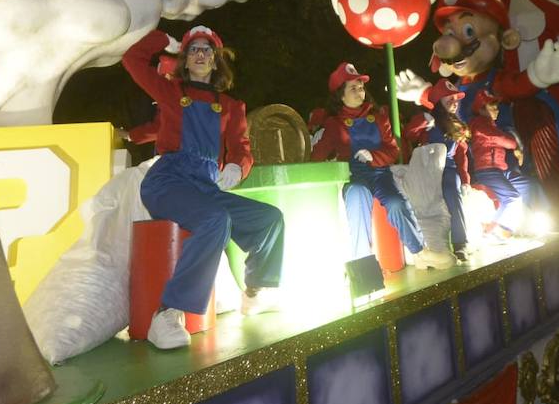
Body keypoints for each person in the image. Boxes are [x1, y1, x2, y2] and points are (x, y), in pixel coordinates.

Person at [121, 26, 285, 350]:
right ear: (184, 59)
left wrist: (237, 167)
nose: (199, 54)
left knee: (269, 219)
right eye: (193, 49)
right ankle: (167, 314)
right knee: (215, 220)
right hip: (169, 180)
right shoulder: (169, 91)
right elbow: (132, 59)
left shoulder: (232, 106)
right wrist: (164, 41)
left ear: (215, 60)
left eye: (206, 50)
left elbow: (241, 148)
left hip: (207, 185)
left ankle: (255, 292)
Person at [310, 63, 451, 270]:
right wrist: (304, 164)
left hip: (380, 172)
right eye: (353, 88)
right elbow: (318, 154)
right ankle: (362, 266)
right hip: (353, 175)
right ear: (341, 95)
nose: (359, 92)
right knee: (357, 195)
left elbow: (393, 150)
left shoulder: (378, 117)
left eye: (361, 87)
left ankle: (420, 252)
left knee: (396, 202)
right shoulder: (334, 124)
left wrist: (373, 156)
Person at [404, 79, 473, 262]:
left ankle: (460, 242)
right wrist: (423, 122)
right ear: (438, 101)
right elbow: (408, 134)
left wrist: (465, 180)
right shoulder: (428, 119)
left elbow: (461, 156)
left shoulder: (457, 126)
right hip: (427, 169)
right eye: (449, 99)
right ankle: (426, 246)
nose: (454, 102)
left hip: (448, 169)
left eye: (456, 99)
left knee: (451, 192)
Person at [467, 90, 550, 239]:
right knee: (512, 197)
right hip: (487, 170)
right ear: (481, 110)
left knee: (530, 185)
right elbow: (500, 139)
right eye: (492, 107)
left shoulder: (491, 124)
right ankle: (496, 229)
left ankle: (540, 218)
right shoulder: (479, 124)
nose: (496, 110)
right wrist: (514, 144)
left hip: (501, 170)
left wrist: (514, 146)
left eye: (496, 106)